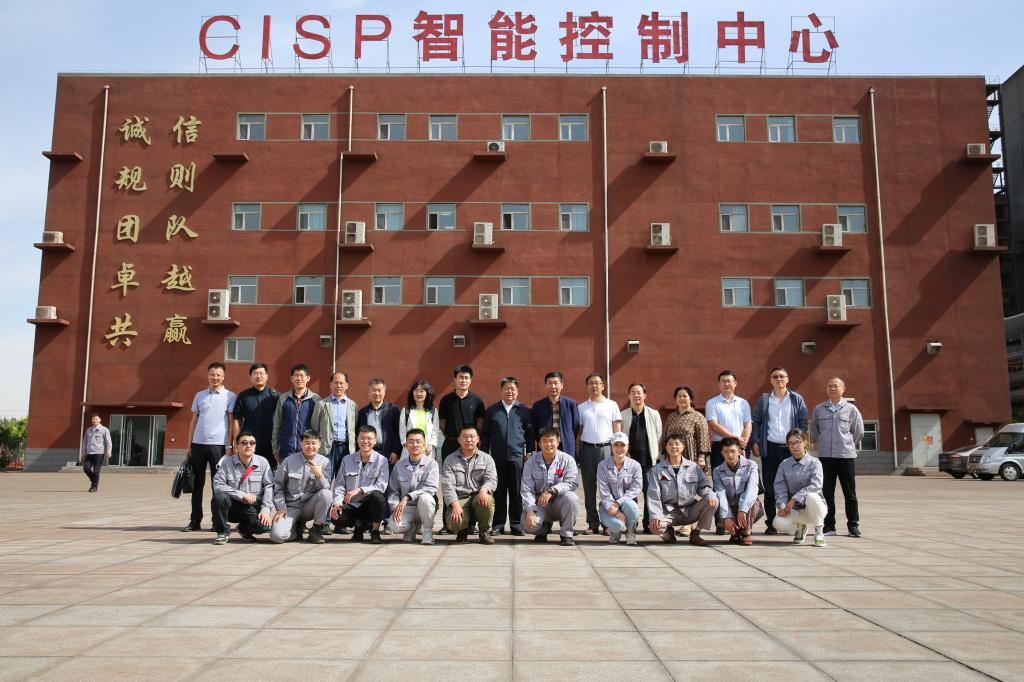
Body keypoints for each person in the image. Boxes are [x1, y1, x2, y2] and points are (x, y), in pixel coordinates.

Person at [750, 367, 808, 535]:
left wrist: (800, 443)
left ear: (787, 379)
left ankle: (794, 522)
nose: (779, 379)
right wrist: (755, 441)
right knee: (770, 488)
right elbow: (756, 421)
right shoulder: (765, 400)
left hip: (791, 449)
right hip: (770, 448)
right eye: (775, 376)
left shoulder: (796, 399)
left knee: (793, 486)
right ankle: (771, 524)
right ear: (771, 380)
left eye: (782, 376)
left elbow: (803, 422)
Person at [183, 362, 237, 532]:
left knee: (218, 485)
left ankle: (217, 522)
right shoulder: (200, 395)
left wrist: (230, 445)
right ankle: (195, 520)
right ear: (207, 375)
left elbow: (231, 422)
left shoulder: (230, 396)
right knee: (196, 484)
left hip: (219, 446)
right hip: (198, 444)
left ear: (224, 377)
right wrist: (189, 445)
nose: (215, 377)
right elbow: (193, 421)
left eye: (219, 374)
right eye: (212, 374)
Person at [810, 377, 865, 538]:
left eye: (835, 386)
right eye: (829, 386)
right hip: (826, 457)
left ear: (843, 389)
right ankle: (829, 526)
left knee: (850, 493)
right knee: (827, 493)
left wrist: (847, 444)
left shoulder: (851, 409)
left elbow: (859, 431)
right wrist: (824, 442)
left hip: (845, 456)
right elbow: (815, 430)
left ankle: (853, 525)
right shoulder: (819, 409)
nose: (832, 388)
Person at [480, 377, 534, 536]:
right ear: (501, 390)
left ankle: (516, 524)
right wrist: (484, 454)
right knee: (499, 492)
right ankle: (498, 524)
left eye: (512, 388)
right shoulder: (492, 410)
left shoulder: (523, 410)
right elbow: (485, 434)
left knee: (517, 492)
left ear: (517, 391)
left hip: (518, 458)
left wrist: (529, 452)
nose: (509, 391)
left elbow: (530, 433)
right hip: (497, 458)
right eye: (506, 388)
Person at [437, 365, 486, 535]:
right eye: (460, 377)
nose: (463, 381)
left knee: (471, 482)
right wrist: (456, 438)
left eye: (466, 378)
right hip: (451, 444)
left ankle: (471, 524)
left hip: (471, 446)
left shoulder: (477, 400)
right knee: (449, 483)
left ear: (470, 380)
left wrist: (470, 440)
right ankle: (447, 523)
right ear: (455, 380)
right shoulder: (446, 400)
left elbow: (480, 424)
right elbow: (442, 424)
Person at [648, 432, 718, 545]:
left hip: (690, 510)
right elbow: (653, 495)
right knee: (655, 528)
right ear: (666, 447)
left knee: (714, 501)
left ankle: (696, 533)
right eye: (670, 444)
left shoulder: (693, 467)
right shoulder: (657, 469)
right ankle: (668, 532)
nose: (674, 447)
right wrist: (655, 516)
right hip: (669, 512)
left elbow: (704, 486)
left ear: (683, 446)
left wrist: (710, 496)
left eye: (677, 444)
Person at [705, 370, 751, 534]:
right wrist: (735, 438)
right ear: (718, 384)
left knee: (743, 484)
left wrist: (742, 444)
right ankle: (721, 522)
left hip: (740, 447)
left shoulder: (743, 403)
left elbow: (748, 424)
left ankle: (742, 522)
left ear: (735, 383)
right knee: (720, 485)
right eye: (723, 381)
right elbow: (713, 424)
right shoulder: (712, 403)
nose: (727, 384)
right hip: (720, 447)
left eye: (729, 381)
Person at [577, 373, 622, 535]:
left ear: (603, 386)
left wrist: (618, 451)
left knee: (607, 488)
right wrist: (578, 451)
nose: (594, 385)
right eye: (591, 383)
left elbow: (617, 431)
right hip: (587, 449)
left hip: (606, 449)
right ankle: (592, 523)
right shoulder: (581, 407)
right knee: (589, 488)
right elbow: (579, 431)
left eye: (597, 383)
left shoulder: (612, 405)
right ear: (587, 386)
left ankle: (607, 522)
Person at [269, 430, 332, 544]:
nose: (310, 446)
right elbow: (278, 485)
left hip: (310, 506)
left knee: (327, 494)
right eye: (307, 443)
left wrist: (319, 476)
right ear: (301, 444)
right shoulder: (289, 461)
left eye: (314, 443)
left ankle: (315, 530)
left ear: (319, 444)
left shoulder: (324, 462)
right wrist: (281, 507)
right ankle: (295, 529)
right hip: (291, 507)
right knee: (277, 537)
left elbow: (325, 489)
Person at [211, 431, 273, 545]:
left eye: (252, 443)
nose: (248, 446)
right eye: (244, 443)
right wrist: (242, 495)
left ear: (255, 447)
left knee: (263, 526)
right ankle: (222, 532)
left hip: (251, 507)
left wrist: (265, 510)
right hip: (232, 506)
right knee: (219, 498)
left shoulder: (263, 462)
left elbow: (269, 487)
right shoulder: (227, 462)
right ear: (237, 446)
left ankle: (243, 529)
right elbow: (218, 485)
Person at [331, 425, 390, 543]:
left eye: (369, 438)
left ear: (375, 441)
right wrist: (337, 503)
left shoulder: (382, 460)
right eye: (362, 438)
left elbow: (381, 486)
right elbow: (339, 485)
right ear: (357, 440)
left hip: (370, 505)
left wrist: (359, 490)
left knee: (378, 497)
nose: (365, 441)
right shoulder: (347, 459)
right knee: (337, 517)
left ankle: (375, 531)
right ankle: (358, 526)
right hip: (352, 504)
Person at [522, 427, 580, 546]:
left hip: (559, 502)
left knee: (572, 498)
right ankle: (544, 528)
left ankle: (566, 534)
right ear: (539, 444)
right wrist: (530, 509)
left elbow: (572, 482)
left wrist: (552, 491)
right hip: (539, 504)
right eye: (544, 441)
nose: (548, 444)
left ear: (558, 442)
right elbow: (526, 489)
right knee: (527, 526)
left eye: (551, 441)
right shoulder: (531, 462)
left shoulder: (568, 460)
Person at [442, 425, 498, 544]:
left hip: (478, 498)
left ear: (478, 439)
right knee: (455, 523)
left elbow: (491, 480)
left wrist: (484, 490)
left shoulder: (487, 459)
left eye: (472, 436)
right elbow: (448, 486)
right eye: (465, 437)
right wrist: (455, 505)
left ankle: (484, 532)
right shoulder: (450, 460)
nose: (469, 440)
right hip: (460, 499)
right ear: (459, 440)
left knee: (487, 499)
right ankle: (462, 530)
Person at [618, 383, 662, 533]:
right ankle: (632, 523)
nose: (636, 395)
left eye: (639, 393)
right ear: (629, 395)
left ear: (644, 395)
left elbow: (658, 435)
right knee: (630, 493)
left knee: (650, 492)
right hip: (629, 461)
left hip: (648, 460)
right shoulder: (623, 415)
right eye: (633, 392)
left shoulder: (653, 414)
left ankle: (648, 523)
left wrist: (655, 454)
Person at [773, 429, 828, 547]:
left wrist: (794, 499)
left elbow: (816, 485)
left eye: (797, 442)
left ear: (804, 442)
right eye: (791, 443)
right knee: (778, 523)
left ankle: (819, 532)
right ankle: (800, 528)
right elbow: (779, 488)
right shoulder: (784, 465)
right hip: (796, 511)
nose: (794, 446)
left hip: (815, 509)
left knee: (812, 496)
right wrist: (782, 506)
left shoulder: (815, 463)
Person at [387, 429, 439, 545]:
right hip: (406, 508)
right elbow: (393, 491)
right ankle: (412, 527)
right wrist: (395, 508)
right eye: (411, 441)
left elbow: (430, 488)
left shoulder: (432, 464)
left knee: (426, 498)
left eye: (418, 441)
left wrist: (407, 497)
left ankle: (427, 531)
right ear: (405, 445)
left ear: (424, 445)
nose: (414, 445)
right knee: (394, 526)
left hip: (423, 507)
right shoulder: (399, 465)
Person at [713, 437, 764, 546]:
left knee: (753, 501)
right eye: (726, 452)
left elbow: (752, 489)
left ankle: (746, 533)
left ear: (739, 451)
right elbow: (721, 494)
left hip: (747, 509)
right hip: (729, 507)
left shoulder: (751, 465)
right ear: (722, 453)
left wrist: (743, 509)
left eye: (733, 451)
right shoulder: (717, 471)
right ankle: (735, 532)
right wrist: (727, 516)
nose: (730, 455)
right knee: (716, 501)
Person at [231, 363, 280, 469]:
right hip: (248, 444)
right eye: (255, 373)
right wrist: (236, 443)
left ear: (267, 376)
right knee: (246, 473)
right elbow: (236, 420)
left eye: (261, 373)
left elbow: (281, 420)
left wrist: (278, 444)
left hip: (269, 445)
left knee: (268, 473)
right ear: (250, 376)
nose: (258, 376)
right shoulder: (244, 396)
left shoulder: (275, 396)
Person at [597, 432, 643, 545]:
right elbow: (604, 491)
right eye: (616, 445)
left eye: (622, 445)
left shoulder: (635, 465)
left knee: (632, 507)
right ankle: (615, 532)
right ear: (611, 447)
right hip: (608, 506)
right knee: (618, 525)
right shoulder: (602, 465)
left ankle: (630, 531)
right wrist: (614, 508)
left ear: (628, 447)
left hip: (627, 504)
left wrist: (618, 503)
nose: (619, 448)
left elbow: (636, 488)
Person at [271, 364, 321, 467]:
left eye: (302, 375)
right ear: (291, 378)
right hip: (286, 449)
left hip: (308, 449)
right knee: (286, 476)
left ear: (308, 378)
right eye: (296, 375)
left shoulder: (316, 399)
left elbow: (319, 427)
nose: (299, 378)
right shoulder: (283, 398)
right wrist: (275, 448)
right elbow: (277, 424)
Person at [531, 371, 582, 461]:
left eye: (556, 383)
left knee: (566, 468)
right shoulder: (538, 406)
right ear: (545, 386)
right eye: (549, 383)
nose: (553, 386)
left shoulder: (570, 404)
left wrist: (566, 436)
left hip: (565, 446)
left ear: (561, 385)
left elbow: (575, 426)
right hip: (546, 446)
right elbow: (535, 428)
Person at [316, 371, 358, 481]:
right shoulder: (322, 404)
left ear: (346, 385)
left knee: (344, 480)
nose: (338, 385)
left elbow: (354, 428)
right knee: (325, 479)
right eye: (335, 383)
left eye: (341, 383)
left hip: (346, 449)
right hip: (327, 448)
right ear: (330, 385)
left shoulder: (353, 405)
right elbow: (315, 427)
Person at [662, 386, 712, 474]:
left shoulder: (698, 416)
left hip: (691, 456)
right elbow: (665, 436)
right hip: (672, 457)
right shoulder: (671, 417)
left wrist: (701, 457)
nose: (681, 398)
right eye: (679, 396)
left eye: (684, 396)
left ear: (691, 399)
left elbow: (703, 438)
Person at [355, 378, 402, 464]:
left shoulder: (392, 410)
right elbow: (358, 434)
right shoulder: (363, 412)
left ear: (384, 392)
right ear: (369, 392)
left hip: (387, 454)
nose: (377, 393)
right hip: (369, 453)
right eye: (373, 390)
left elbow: (398, 432)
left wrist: (396, 451)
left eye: (379, 390)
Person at [399, 379, 441, 462]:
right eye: (416, 391)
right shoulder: (406, 410)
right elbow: (402, 430)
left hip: (427, 450)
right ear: (412, 393)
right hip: (410, 449)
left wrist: (431, 445)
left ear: (427, 393)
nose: (418, 394)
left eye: (422, 391)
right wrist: (406, 445)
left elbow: (435, 431)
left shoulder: (433, 411)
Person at [80, 413, 111, 493]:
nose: (95, 420)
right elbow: (85, 442)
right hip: (89, 453)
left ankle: (94, 486)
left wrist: (109, 451)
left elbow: (108, 442)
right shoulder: (89, 430)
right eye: (93, 419)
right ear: (91, 420)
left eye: (96, 419)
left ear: (100, 420)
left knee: (96, 471)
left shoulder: (104, 430)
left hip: (99, 453)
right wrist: (83, 452)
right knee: (86, 468)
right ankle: (94, 480)